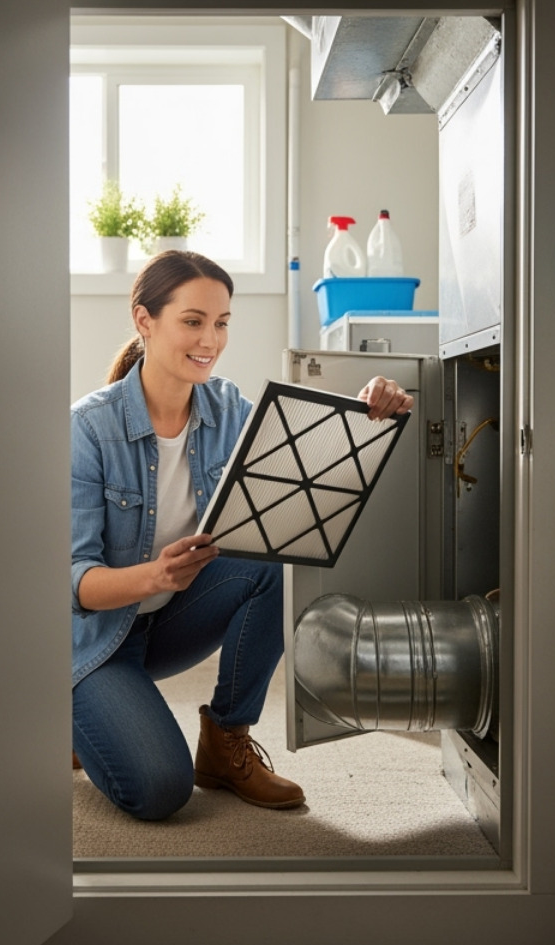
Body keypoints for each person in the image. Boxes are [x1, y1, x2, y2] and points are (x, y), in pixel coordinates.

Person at [71, 250, 413, 821]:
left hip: (173, 619)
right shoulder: (89, 427)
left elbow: (301, 469)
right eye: (193, 321)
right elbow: (75, 584)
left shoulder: (227, 408)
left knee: (277, 559)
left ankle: (225, 741)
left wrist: (367, 406)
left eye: (222, 322)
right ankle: (79, 715)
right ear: (144, 320)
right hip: (97, 637)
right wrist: (155, 574)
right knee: (159, 792)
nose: (211, 338)